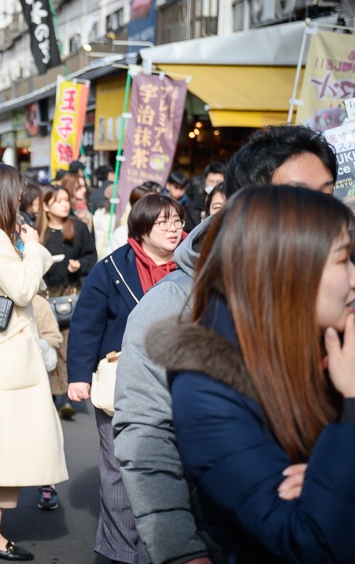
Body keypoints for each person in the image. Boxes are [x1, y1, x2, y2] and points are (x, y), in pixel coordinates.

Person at [112, 124, 338, 564]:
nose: (318, 213)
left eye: (326, 194)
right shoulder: (178, 304)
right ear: (247, 207)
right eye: (297, 195)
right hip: (224, 539)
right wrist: (180, 549)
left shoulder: (338, 292)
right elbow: (146, 434)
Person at [147, 185, 355, 562]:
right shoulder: (207, 392)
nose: (354, 278)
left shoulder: (332, 345)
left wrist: (326, 477)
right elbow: (306, 539)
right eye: (344, 261)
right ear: (287, 268)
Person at [0, 163, 68, 562]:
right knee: (10, 446)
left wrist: (27, 255)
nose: (22, 197)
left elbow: (22, 284)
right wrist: (35, 248)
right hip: (7, 353)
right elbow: (24, 290)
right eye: (18, 191)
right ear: (5, 192)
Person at [67, 194, 186, 564]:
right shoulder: (111, 269)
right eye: (163, 222)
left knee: (174, 468)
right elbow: (87, 324)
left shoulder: (193, 267)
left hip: (180, 382)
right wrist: (78, 375)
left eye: (178, 221)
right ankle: (121, 551)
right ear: (141, 227)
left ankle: (165, 546)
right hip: (122, 381)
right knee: (118, 467)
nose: (173, 228)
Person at [37, 184, 96, 418]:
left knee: (69, 344)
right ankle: (50, 394)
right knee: (49, 344)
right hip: (45, 297)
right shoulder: (36, 231)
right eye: (58, 200)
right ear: (45, 205)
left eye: (66, 200)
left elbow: (92, 256)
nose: (64, 204)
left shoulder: (79, 228)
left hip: (71, 295)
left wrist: (80, 264)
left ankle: (65, 396)